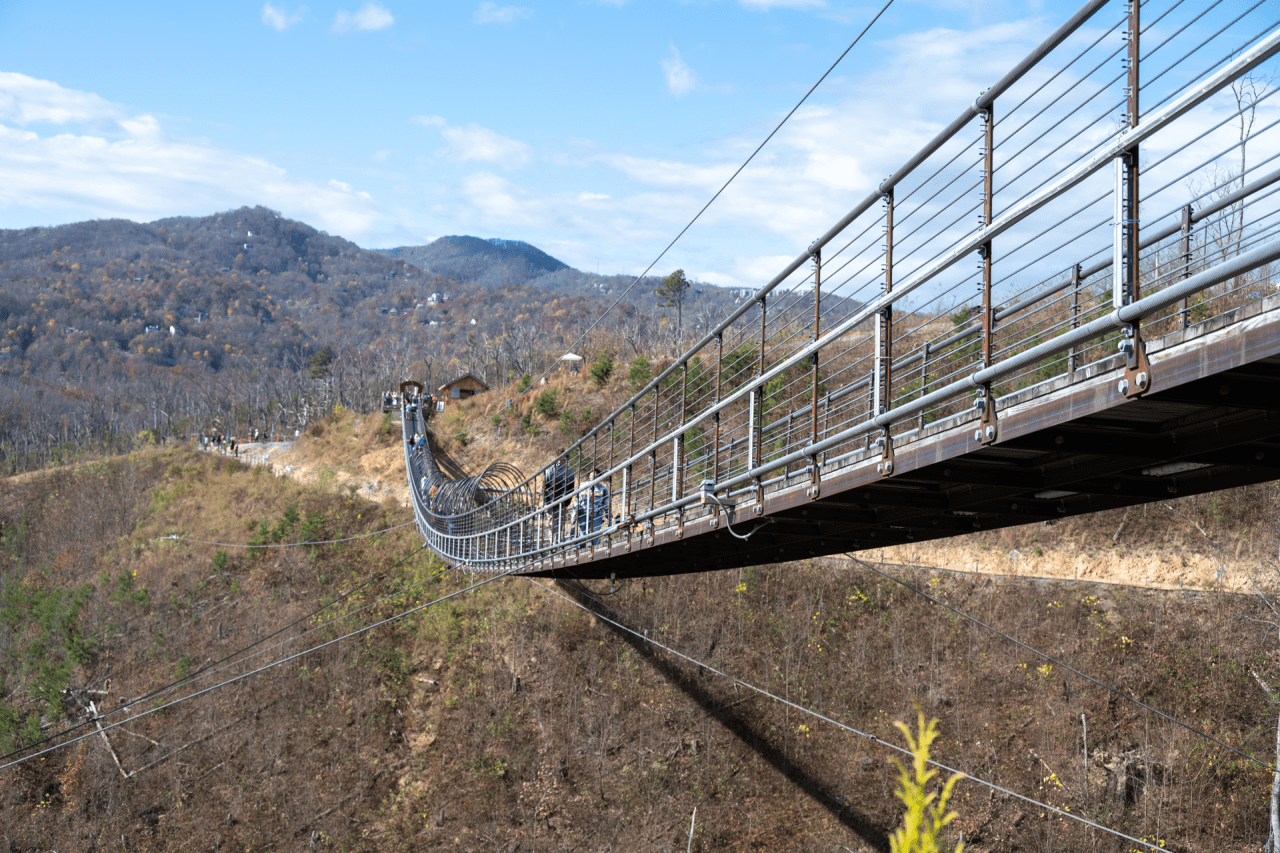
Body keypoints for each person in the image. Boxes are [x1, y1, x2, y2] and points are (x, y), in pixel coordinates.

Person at [542, 452, 575, 543]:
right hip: (551, 502)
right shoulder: (550, 469)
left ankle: (555, 545)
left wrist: (566, 503)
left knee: (559, 525)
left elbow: (571, 489)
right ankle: (553, 545)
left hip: (561, 503)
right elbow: (544, 488)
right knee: (552, 524)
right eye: (560, 456)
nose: (561, 459)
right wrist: (546, 503)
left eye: (563, 457)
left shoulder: (569, 471)